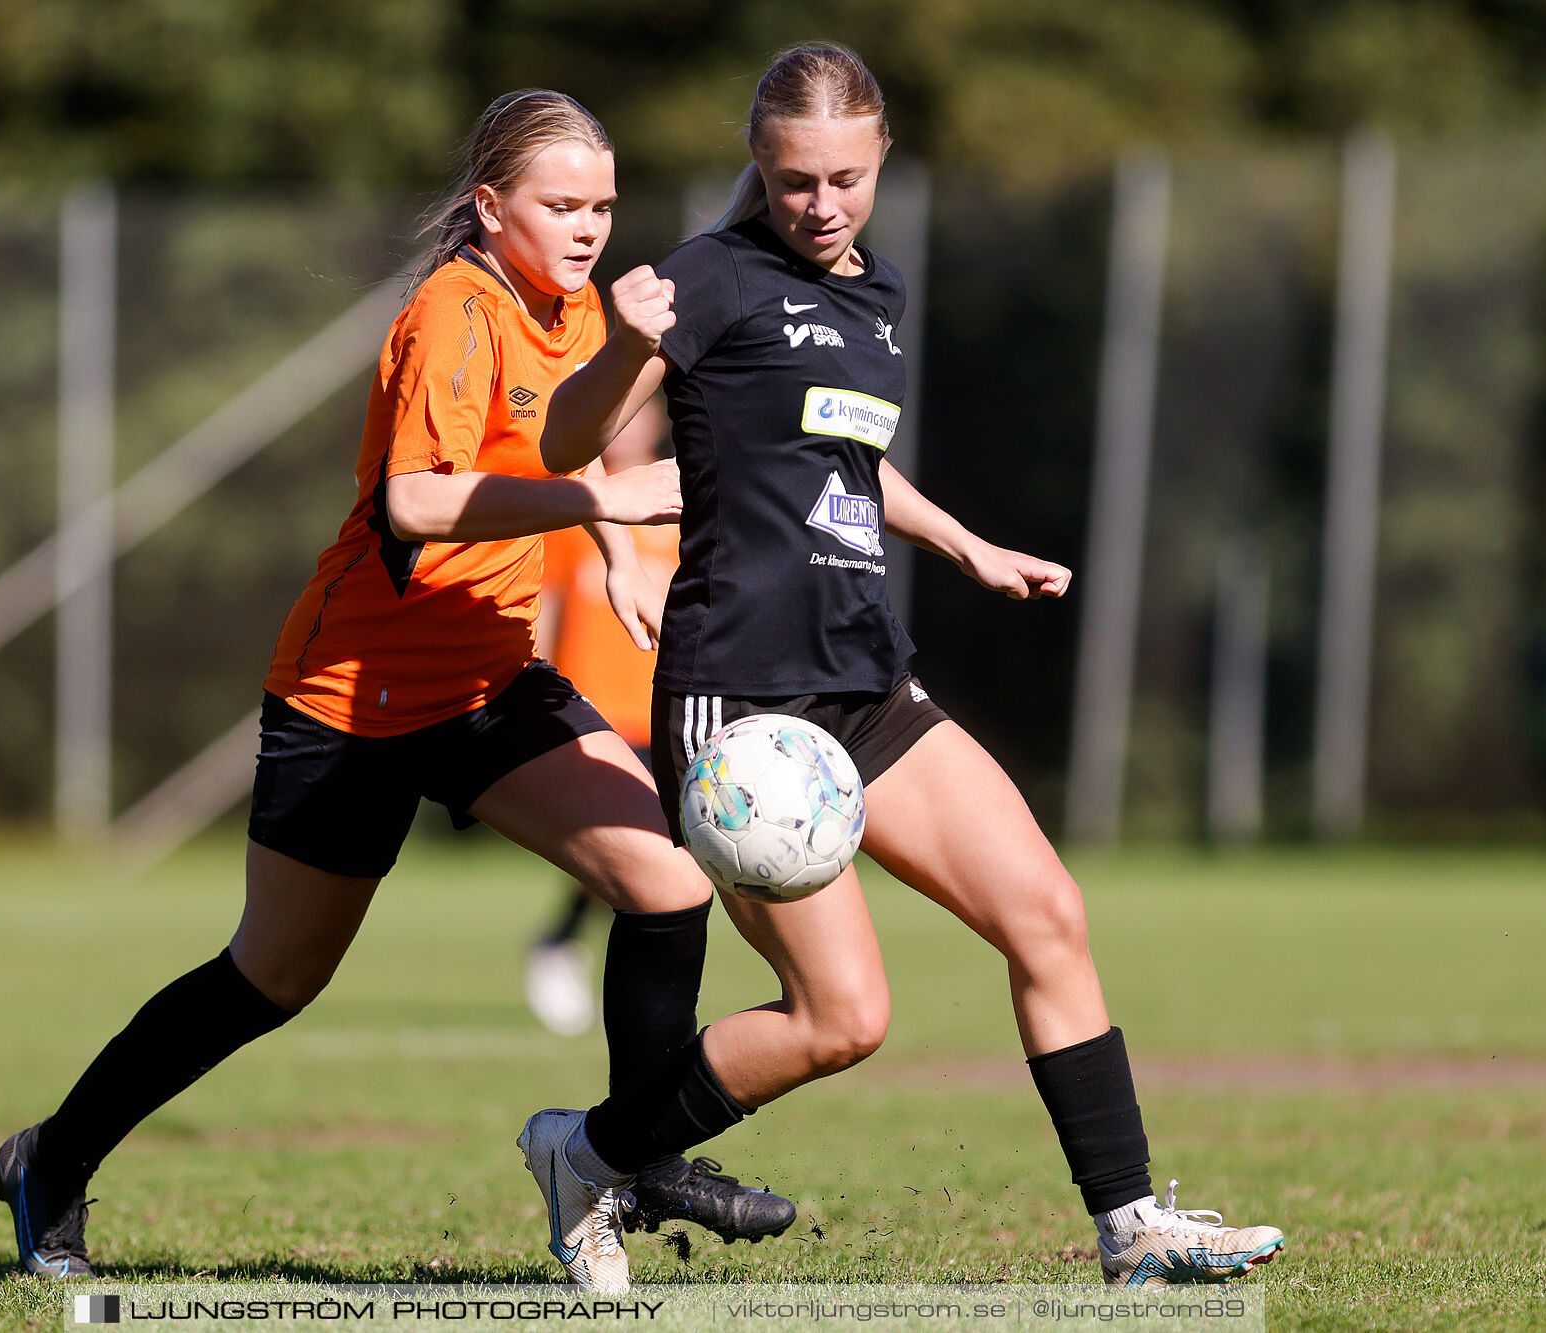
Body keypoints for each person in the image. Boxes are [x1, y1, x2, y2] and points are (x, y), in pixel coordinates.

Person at [0, 88, 787, 1297]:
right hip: (350, 697)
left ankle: (637, 1153)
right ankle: (51, 1160)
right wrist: (597, 510)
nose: (587, 227)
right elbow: (417, 502)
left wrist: (617, 547)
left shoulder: (574, 309)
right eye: (559, 205)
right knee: (272, 977)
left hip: (490, 679)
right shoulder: (451, 313)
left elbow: (581, 446)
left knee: (668, 883)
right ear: (489, 206)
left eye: (604, 205)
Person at [537, 43, 1287, 1288]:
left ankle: (1133, 1227)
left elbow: (843, 460)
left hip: (867, 680)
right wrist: (619, 350)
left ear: (881, 157)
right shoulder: (708, 281)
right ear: (758, 168)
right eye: (791, 182)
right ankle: (590, 1155)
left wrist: (967, 543)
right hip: (742, 703)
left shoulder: (876, 294)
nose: (819, 205)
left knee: (1047, 913)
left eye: (842, 177)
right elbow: (568, 440)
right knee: (844, 1020)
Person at [525, 397, 675, 1038]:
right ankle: (568, 950)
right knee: (641, 851)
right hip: (594, 711)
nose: (628, 426)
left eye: (640, 413)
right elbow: (545, 614)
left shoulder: (684, 509)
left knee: (662, 853)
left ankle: (565, 942)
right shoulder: (578, 506)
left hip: (667, 707)